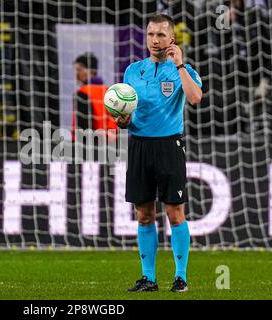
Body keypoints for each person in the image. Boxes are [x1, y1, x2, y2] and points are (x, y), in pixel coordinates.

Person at [115, 14, 202, 292]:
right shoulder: (132, 71)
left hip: (169, 146)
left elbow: (195, 98)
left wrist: (179, 66)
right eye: (151, 34)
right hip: (139, 145)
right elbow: (126, 112)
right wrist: (123, 120)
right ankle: (148, 278)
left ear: (172, 38)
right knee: (144, 215)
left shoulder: (183, 70)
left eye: (161, 35)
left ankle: (181, 277)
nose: (155, 40)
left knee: (175, 214)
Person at [72, 52, 117, 137]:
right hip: (111, 143)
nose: (76, 74)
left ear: (89, 71)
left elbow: (82, 126)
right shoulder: (110, 91)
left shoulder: (83, 92)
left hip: (88, 144)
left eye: (79, 70)